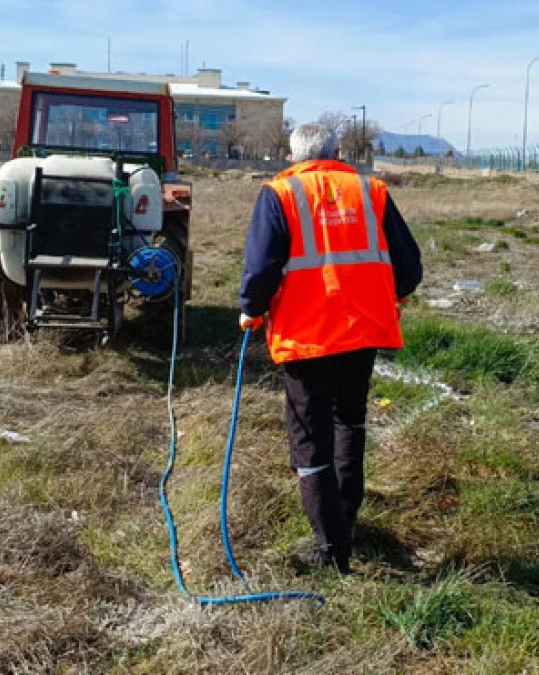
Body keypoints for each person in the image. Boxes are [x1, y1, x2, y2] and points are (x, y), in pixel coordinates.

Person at [238, 123, 423, 573]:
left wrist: (251, 309)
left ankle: (331, 550)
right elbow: (409, 268)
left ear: (292, 155)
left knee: (310, 440)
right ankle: (344, 523)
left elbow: (261, 268)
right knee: (349, 422)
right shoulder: (371, 192)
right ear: (338, 152)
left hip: (307, 338)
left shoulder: (279, 194)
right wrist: (393, 296)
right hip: (363, 331)